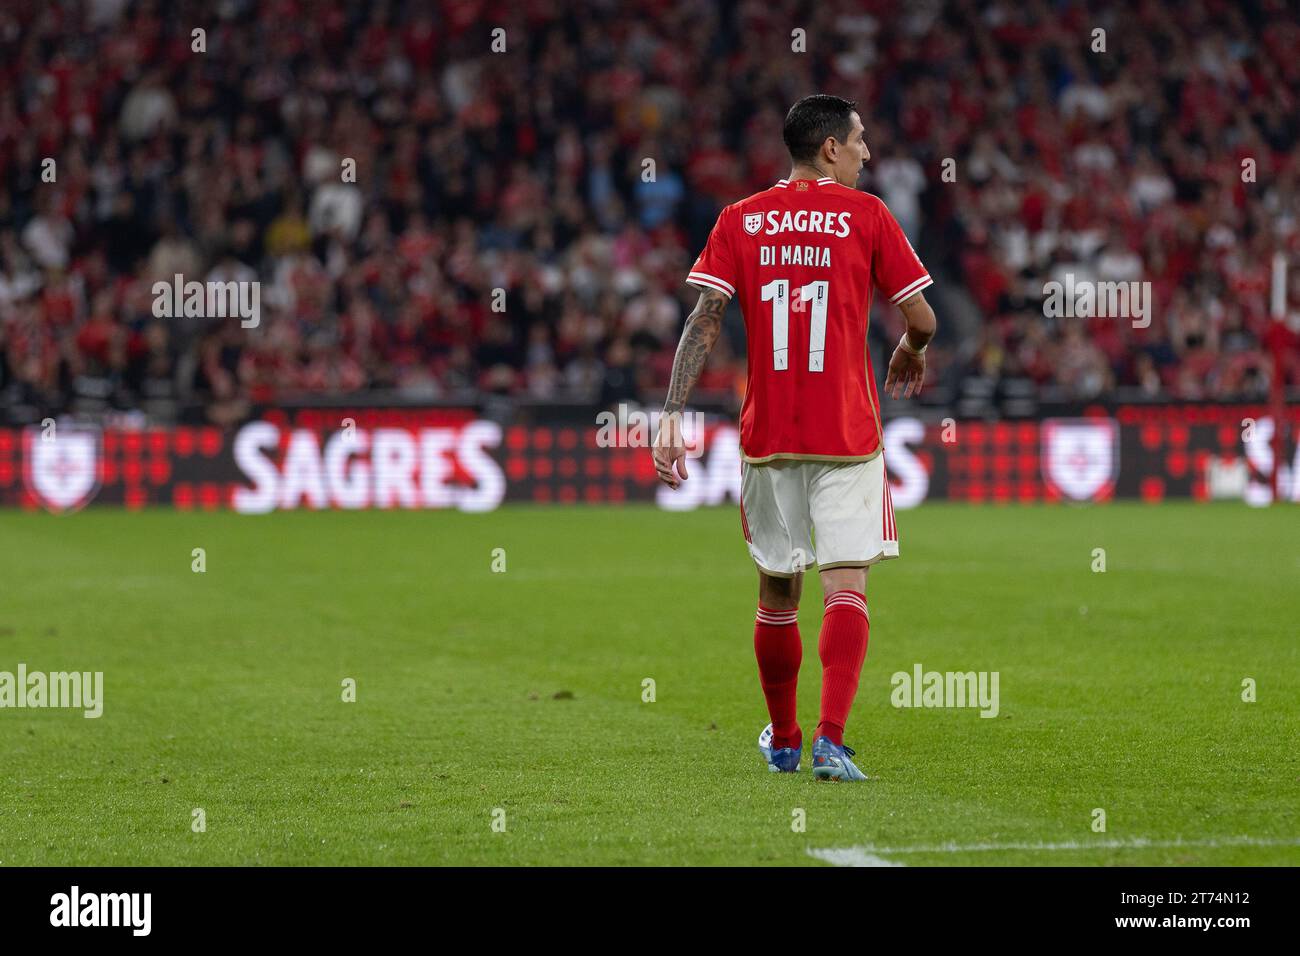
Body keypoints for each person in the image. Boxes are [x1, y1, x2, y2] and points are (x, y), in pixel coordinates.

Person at [652, 94, 937, 781]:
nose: (868, 152)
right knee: (846, 583)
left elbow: (705, 318)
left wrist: (671, 414)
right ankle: (830, 741)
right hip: (846, 432)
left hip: (770, 436)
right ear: (831, 148)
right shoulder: (867, 215)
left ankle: (783, 738)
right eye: (860, 140)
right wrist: (912, 349)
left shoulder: (740, 219)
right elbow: (923, 317)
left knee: (778, 591)